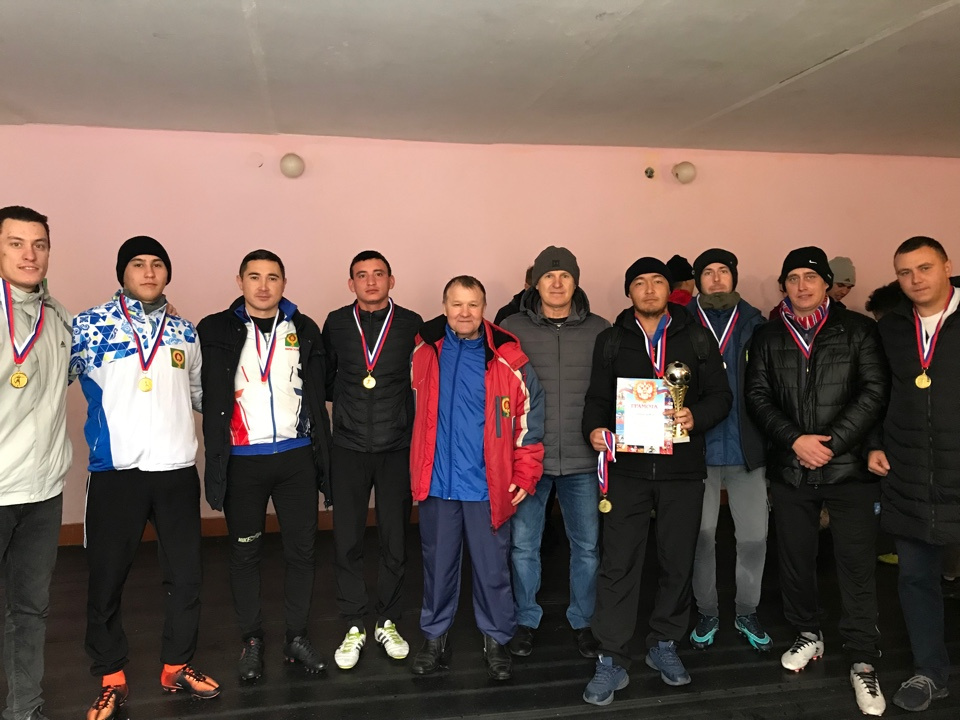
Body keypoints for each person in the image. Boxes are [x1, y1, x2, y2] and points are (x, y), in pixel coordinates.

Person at [71, 236, 219, 720]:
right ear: (123, 273)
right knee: (107, 576)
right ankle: (111, 675)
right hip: (117, 472)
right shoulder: (89, 325)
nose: (149, 272)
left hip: (175, 470)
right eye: (138, 264)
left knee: (186, 576)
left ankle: (177, 664)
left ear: (167, 273)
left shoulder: (184, 330)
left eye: (157, 264)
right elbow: (49, 378)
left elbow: (198, 393)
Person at [745, 246, 888, 717]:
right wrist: (795, 441)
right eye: (793, 278)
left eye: (811, 277)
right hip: (791, 469)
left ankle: (863, 658)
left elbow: (874, 391)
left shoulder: (859, 330)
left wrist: (830, 444)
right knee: (795, 559)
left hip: (848, 470)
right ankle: (808, 633)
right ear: (783, 286)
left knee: (856, 565)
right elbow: (757, 396)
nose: (802, 286)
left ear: (827, 283)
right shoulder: (767, 335)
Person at [581, 257, 731, 706]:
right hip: (627, 471)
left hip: (681, 470)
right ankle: (611, 656)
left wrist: (696, 415)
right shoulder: (611, 340)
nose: (649, 289)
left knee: (676, 560)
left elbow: (721, 396)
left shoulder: (697, 337)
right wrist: (594, 429)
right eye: (640, 283)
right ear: (629, 292)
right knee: (618, 563)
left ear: (671, 289)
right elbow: (597, 397)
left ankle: (664, 643)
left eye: (657, 282)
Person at [197, 249, 330, 681]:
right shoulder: (214, 329)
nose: (263, 285)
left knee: (302, 553)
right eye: (254, 276)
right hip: (243, 461)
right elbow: (197, 384)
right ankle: (252, 640)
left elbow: (320, 387)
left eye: (273, 277)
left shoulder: (304, 328)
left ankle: (296, 636)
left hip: (296, 458)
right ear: (240, 282)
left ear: (284, 284)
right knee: (244, 553)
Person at [409, 276, 544, 681]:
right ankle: (435, 638)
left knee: (492, 570)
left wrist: (525, 472)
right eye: (456, 304)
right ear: (444, 307)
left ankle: (496, 639)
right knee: (437, 567)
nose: (464, 312)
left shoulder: (507, 357)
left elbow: (529, 419)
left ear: (484, 308)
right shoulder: (423, 351)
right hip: (437, 484)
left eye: (473, 304)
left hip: (488, 485)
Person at [500, 246, 609, 659]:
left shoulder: (601, 329)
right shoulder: (511, 328)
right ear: (536, 283)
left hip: (582, 460)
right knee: (523, 546)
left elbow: (613, 390)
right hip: (529, 460)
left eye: (565, 276)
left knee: (587, 548)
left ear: (576, 282)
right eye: (549, 276)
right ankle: (525, 619)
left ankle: (583, 620)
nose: (557, 283)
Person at [867, 236, 960, 712]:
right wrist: (873, 443)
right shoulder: (892, 328)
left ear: (946, 265)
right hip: (909, 473)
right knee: (916, 579)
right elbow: (877, 392)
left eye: (924, 268)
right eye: (904, 272)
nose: (915, 279)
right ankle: (930, 673)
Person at [321, 251, 422, 670]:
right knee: (347, 539)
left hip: (396, 447)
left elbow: (419, 380)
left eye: (379, 274)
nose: (371, 281)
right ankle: (353, 623)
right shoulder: (336, 323)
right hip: (347, 447)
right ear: (351, 284)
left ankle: (387, 620)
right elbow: (326, 378)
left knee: (394, 539)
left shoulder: (412, 324)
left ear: (391, 280)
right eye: (362, 275)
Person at [0, 206, 72, 720]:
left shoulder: (58, 316)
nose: (30, 255)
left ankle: (25, 709)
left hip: (43, 491)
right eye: (16, 243)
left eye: (39, 244)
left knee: (29, 609)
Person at [686, 249, 770, 652]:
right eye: (708, 272)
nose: (716, 278)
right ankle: (707, 611)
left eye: (723, 271)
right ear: (697, 281)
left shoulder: (757, 324)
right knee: (700, 538)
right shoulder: (680, 323)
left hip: (746, 448)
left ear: (734, 277)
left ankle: (746, 610)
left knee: (753, 537)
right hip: (696, 451)